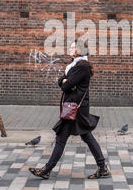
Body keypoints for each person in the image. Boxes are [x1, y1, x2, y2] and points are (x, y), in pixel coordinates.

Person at [29, 40, 110, 180]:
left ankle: (46, 170)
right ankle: (102, 168)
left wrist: (66, 82)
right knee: (86, 137)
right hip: (74, 109)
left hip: (75, 110)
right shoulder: (75, 65)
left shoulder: (82, 66)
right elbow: (62, 81)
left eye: (73, 47)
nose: (70, 48)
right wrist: (65, 81)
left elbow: (66, 85)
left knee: (62, 139)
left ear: (80, 50)